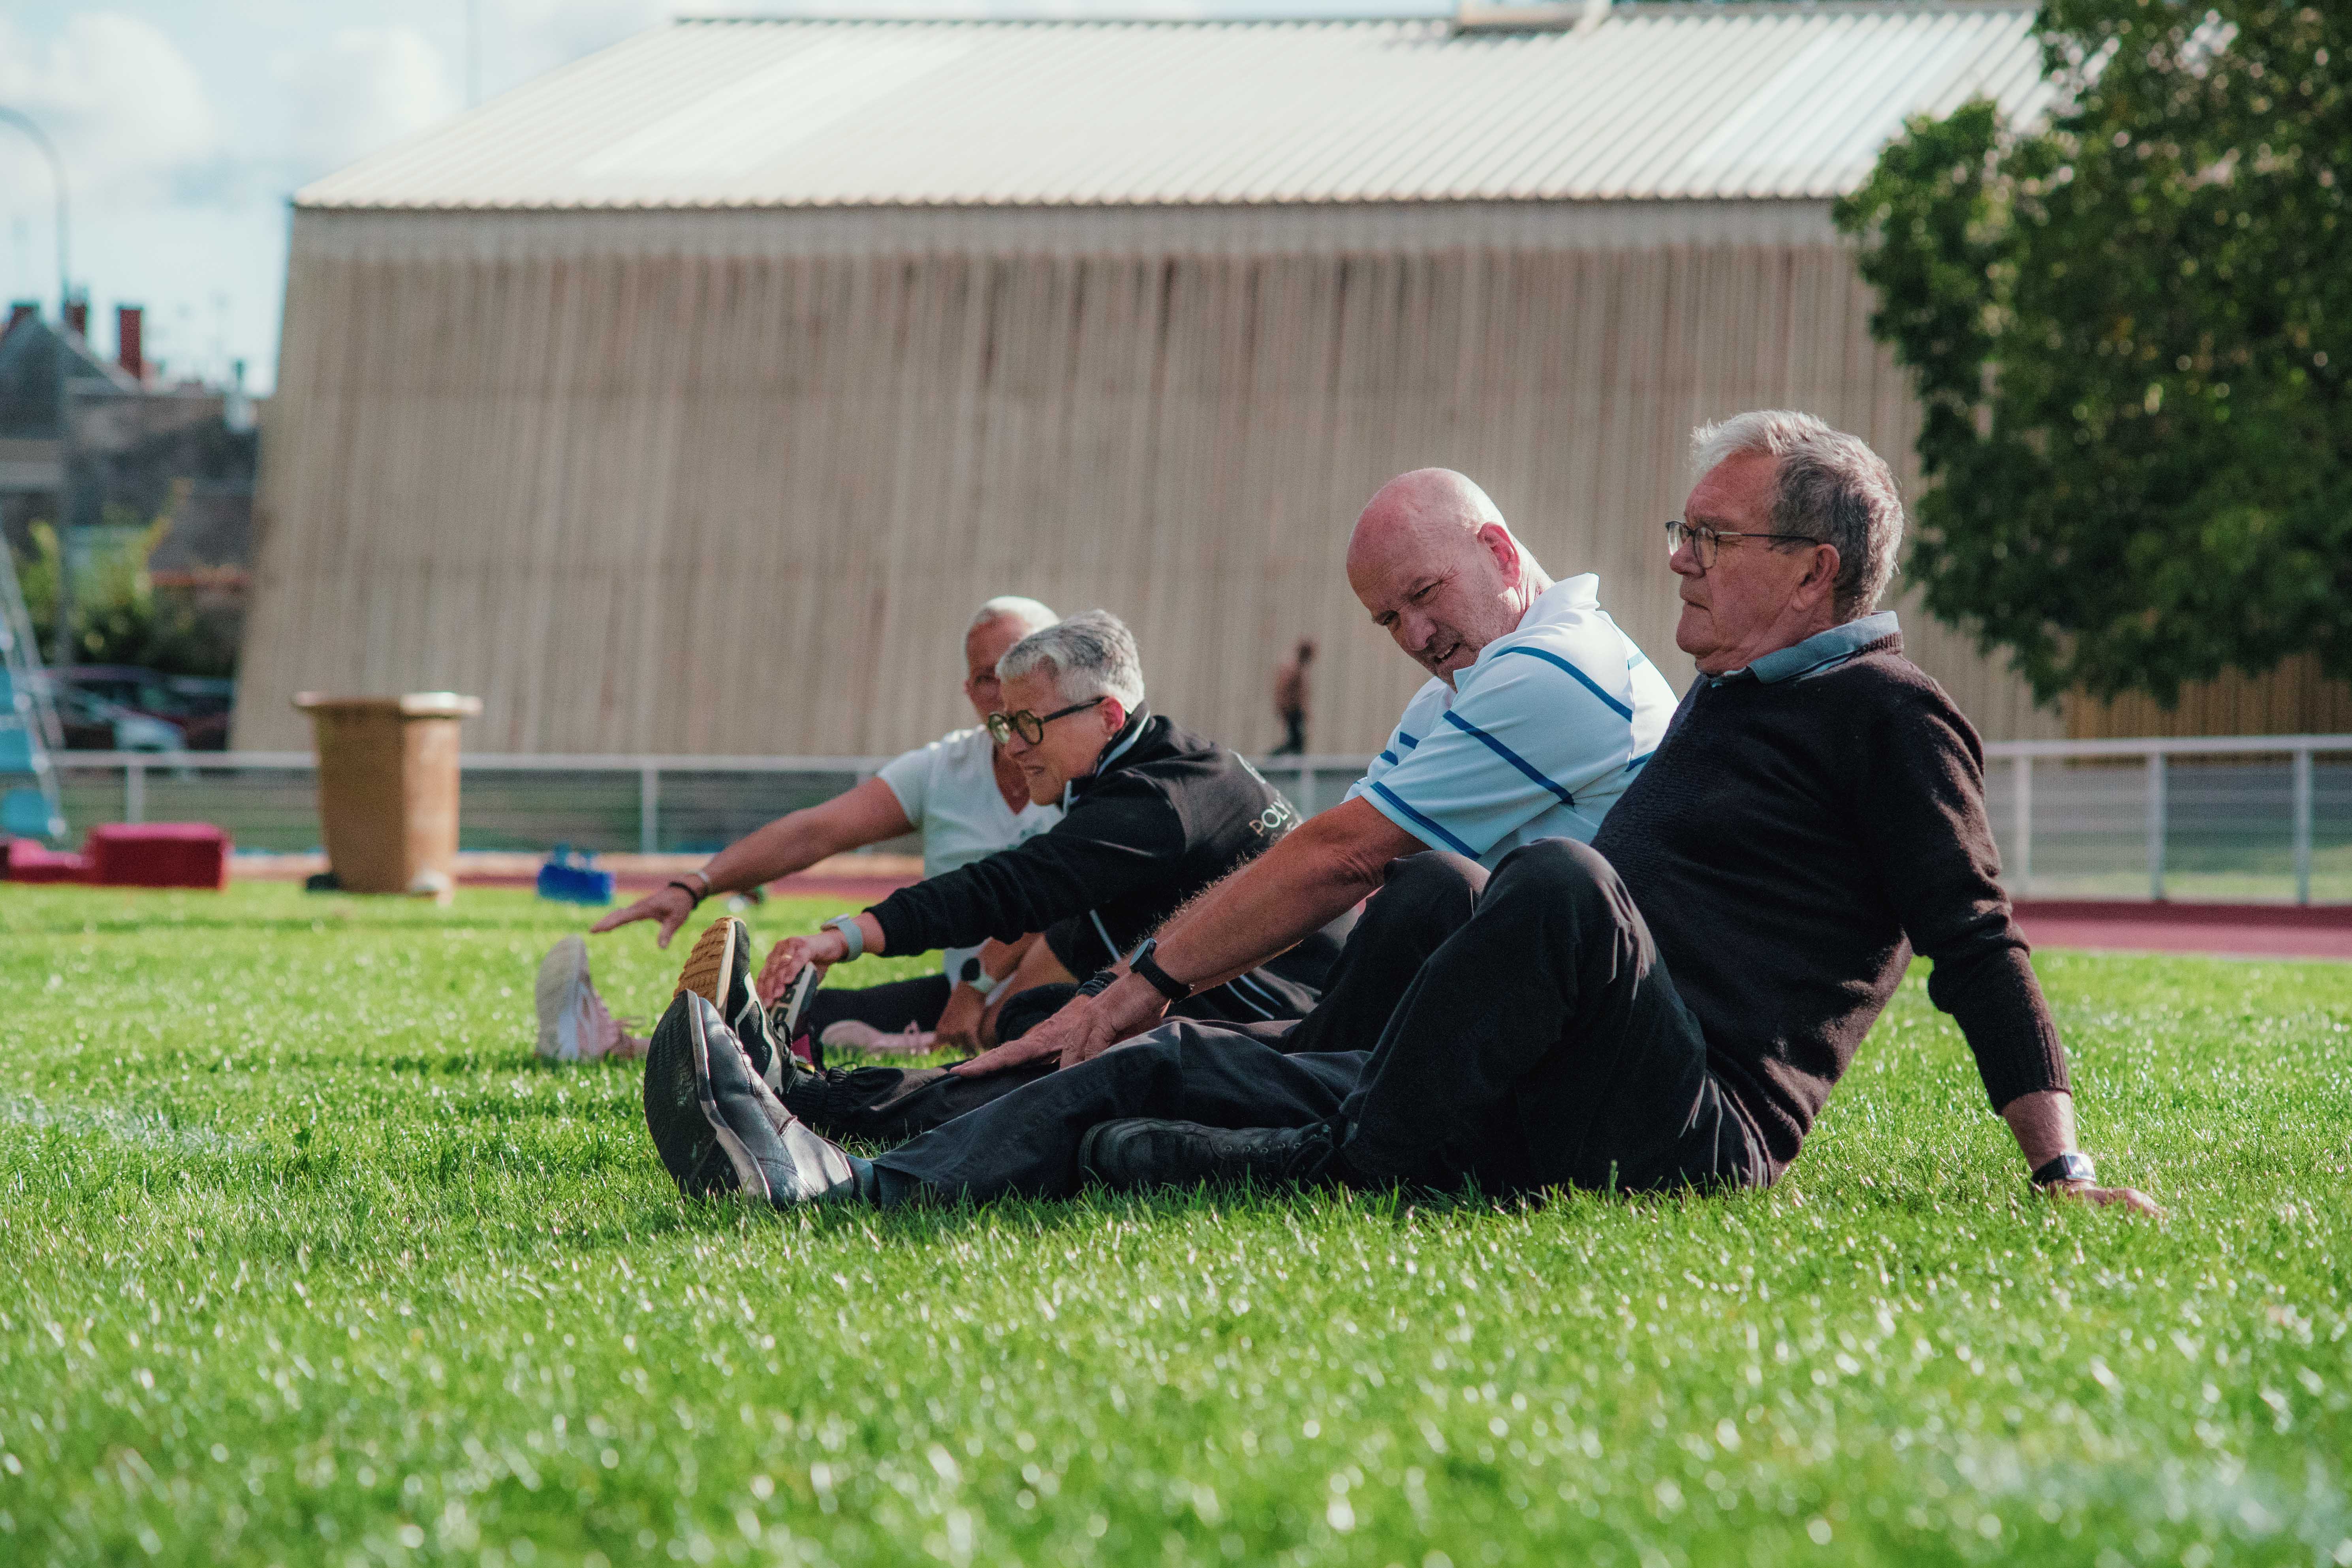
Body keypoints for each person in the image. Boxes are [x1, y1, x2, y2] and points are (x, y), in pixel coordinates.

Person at [648, 415, 2164, 1220]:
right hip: (1570, 1048)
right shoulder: (1735, 692)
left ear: (1815, 567)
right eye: (1681, 532)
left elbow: (1974, 936)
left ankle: (1336, 1145)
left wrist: (2062, 1166)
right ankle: (832, 1155)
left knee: (1551, 879)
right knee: (1328, 959)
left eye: (1712, 536)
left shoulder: (1891, 715)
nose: (1681, 559)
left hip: (1693, 1119)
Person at [643, 465, 1681, 1187]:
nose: (1411, 636)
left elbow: (1332, 855)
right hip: (1443, 1009)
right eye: (1387, 619)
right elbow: (1351, 865)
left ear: (1500, 552)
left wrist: (1124, 990)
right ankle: (808, 1102)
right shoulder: (1469, 682)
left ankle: (842, 1172)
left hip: (1500, 1037)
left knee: (1125, 1049)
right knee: (1097, 1035)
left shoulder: (1538, 670)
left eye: (1422, 596)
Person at [639, 609, 1340, 1182]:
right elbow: (1062, 914)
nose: (1013, 746)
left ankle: (806, 1098)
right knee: (1037, 1016)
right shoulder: (1163, 772)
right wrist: (976, 986)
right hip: (1269, 1011)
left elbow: (1013, 887)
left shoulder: (1156, 799)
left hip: (1288, 1035)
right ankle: (794, 1074)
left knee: (1066, 1058)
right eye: (1006, 725)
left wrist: (846, 936)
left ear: (1108, 716)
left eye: (1029, 724)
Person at [531, 595, 1061, 1064]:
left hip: (1055, 985)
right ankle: (613, 1044)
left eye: (1014, 669)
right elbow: (815, 831)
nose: (1000, 693)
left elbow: (1065, 894)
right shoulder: (947, 767)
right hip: (963, 990)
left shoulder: (1090, 775)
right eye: (985, 677)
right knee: (795, 1015)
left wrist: (977, 985)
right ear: (968, 689)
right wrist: (694, 884)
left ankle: (939, 1042)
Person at [1271, 639, 1315, 755]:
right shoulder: (1294, 670)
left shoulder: (1297, 669)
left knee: (1296, 742)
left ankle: (1279, 760)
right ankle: (1273, 758)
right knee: (1296, 743)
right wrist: (1288, 710)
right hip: (1293, 711)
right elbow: (1288, 693)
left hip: (1294, 711)